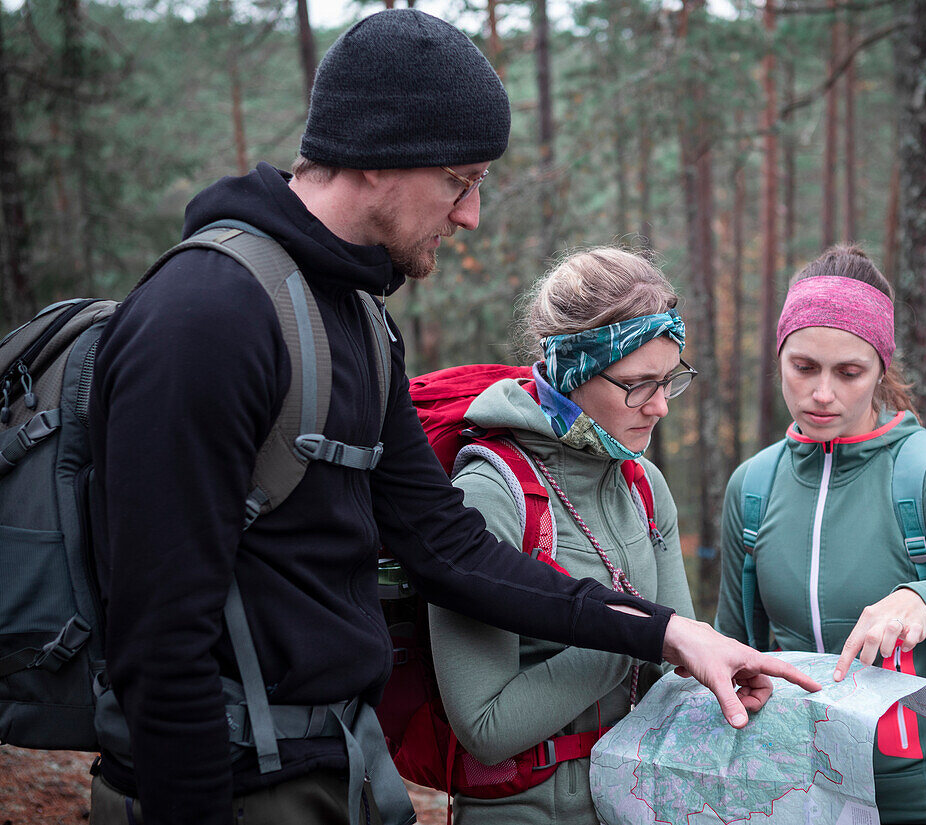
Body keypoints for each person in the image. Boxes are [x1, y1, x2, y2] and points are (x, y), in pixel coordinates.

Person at [86, 10, 819, 825]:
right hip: (224, 785)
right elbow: (159, 636)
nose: (470, 214)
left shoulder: (358, 317)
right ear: (379, 157)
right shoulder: (205, 317)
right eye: (459, 180)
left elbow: (448, 548)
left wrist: (667, 634)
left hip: (335, 767)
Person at [715, 245, 926, 825]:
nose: (822, 393)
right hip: (791, 787)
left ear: (880, 369)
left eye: (849, 372)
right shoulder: (753, 486)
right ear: (779, 358)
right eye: (804, 367)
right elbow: (736, 644)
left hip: (914, 796)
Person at [429, 248, 698, 825]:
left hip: (637, 802)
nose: (659, 407)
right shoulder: (491, 493)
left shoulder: (643, 486)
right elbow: (484, 727)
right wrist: (644, 638)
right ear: (571, 370)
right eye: (636, 384)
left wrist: (713, 670)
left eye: (670, 380)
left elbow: (676, 669)